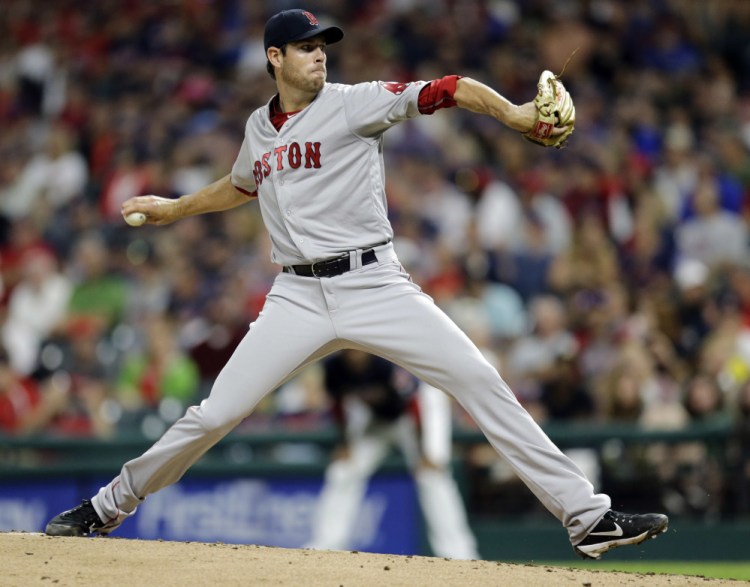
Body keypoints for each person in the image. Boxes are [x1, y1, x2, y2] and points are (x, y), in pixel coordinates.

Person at [45, 8, 668, 560]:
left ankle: (587, 517)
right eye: (307, 46)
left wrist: (511, 113)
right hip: (295, 295)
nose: (320, 54)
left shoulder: (354, 101)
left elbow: (447, 89)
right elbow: (238, 185)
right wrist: (172, 209)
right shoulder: (258, 129)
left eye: (324, 46)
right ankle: (107, 506)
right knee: (214, 414)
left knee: (478, 377)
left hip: (374, 283)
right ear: (275, 58)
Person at [305, 350, 479, 559]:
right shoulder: (334, 366)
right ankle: (326, 545)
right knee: (343, 471)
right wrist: (345, 443)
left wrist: (426, 452)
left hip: (419, 410)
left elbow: (414, 403)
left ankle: (459, 554)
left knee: (432, 476)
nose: (353, 352)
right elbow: (338, 404)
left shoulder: (384, 362)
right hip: (377, 419)